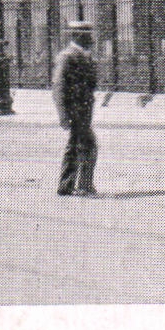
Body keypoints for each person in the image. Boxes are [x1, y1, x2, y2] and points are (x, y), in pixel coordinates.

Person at [52, 19, 100, 197]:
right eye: (88, 36)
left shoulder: (84, 55)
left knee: (81, 146)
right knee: (82, 146)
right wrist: (63, 115)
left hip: (84, 111)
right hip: (75, 111)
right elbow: (59, 87)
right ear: (78, 36)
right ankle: (75, 185)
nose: (91, 39)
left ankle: (74, 185)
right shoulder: (67, 57)